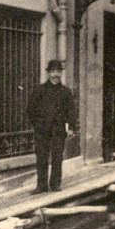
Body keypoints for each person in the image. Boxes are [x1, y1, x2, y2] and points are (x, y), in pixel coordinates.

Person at [28, 59, 76, 194]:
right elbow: (30, 109)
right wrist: (37, 124)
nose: (56, 74)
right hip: (42, 131)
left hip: (58, 131)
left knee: (57, 157)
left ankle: (55, 184)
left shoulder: (66, 92)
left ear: (61, 73)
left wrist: (71, 127)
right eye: (53, 71)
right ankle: (41, 186)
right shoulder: (39, 90)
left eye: (58, 72)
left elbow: (71, 111)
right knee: (42, 158)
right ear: (48, 73)